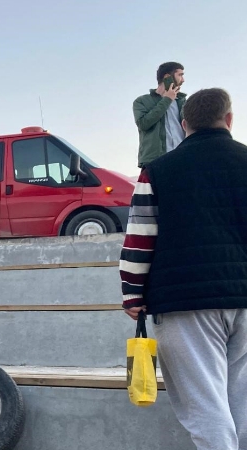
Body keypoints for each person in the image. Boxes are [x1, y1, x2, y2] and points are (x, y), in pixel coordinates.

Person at [120, 88, 247, 450]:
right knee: (243, 406)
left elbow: (140, 237)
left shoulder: (158, 170)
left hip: (185, 303)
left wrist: (132, 292)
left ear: (183, 123)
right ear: (230, 120)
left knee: (206, 408)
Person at [133, 62, 187, 169]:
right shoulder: (142, 101)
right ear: (167, 77)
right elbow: (143, 124)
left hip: (182, 161)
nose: (183, 80)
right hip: (155, 162)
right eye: (180, 75)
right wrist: (167, 100)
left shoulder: (183, 102)